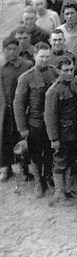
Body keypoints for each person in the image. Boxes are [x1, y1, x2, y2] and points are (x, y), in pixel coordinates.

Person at [13, 42, 59, 198]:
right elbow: (18, 104)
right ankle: (38, 181)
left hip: (51, 123)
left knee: (50, 152)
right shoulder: (26, 78)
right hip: (35, 124)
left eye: (47, 56)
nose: (44, 60)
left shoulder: (55, 73)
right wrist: (22, 128)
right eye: (41, 57)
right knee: (35, 154)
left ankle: (48, 177)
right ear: (34, 56)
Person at [43, 56, 77, 205]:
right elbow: (50, 118)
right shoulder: (53, 91)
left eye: (71, 69)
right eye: (65, 70)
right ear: (58, 71)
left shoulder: (74, 84)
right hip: (62, 135)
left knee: (70, 161)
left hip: (74, 133)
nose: (69, 73)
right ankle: (59, 193)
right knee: (60, 163)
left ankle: (67, 189)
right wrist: (54, 139)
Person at [0, 38, 32, 182]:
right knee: (5, 137)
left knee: (22, 137)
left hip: (22, 108)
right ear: (3, 50)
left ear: (18, 49)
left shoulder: (27, 65)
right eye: (8, 49)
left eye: (14, 48)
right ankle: (6, 166)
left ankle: (24, 167)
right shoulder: (2, 67)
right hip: (6, 109)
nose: (12, 52)